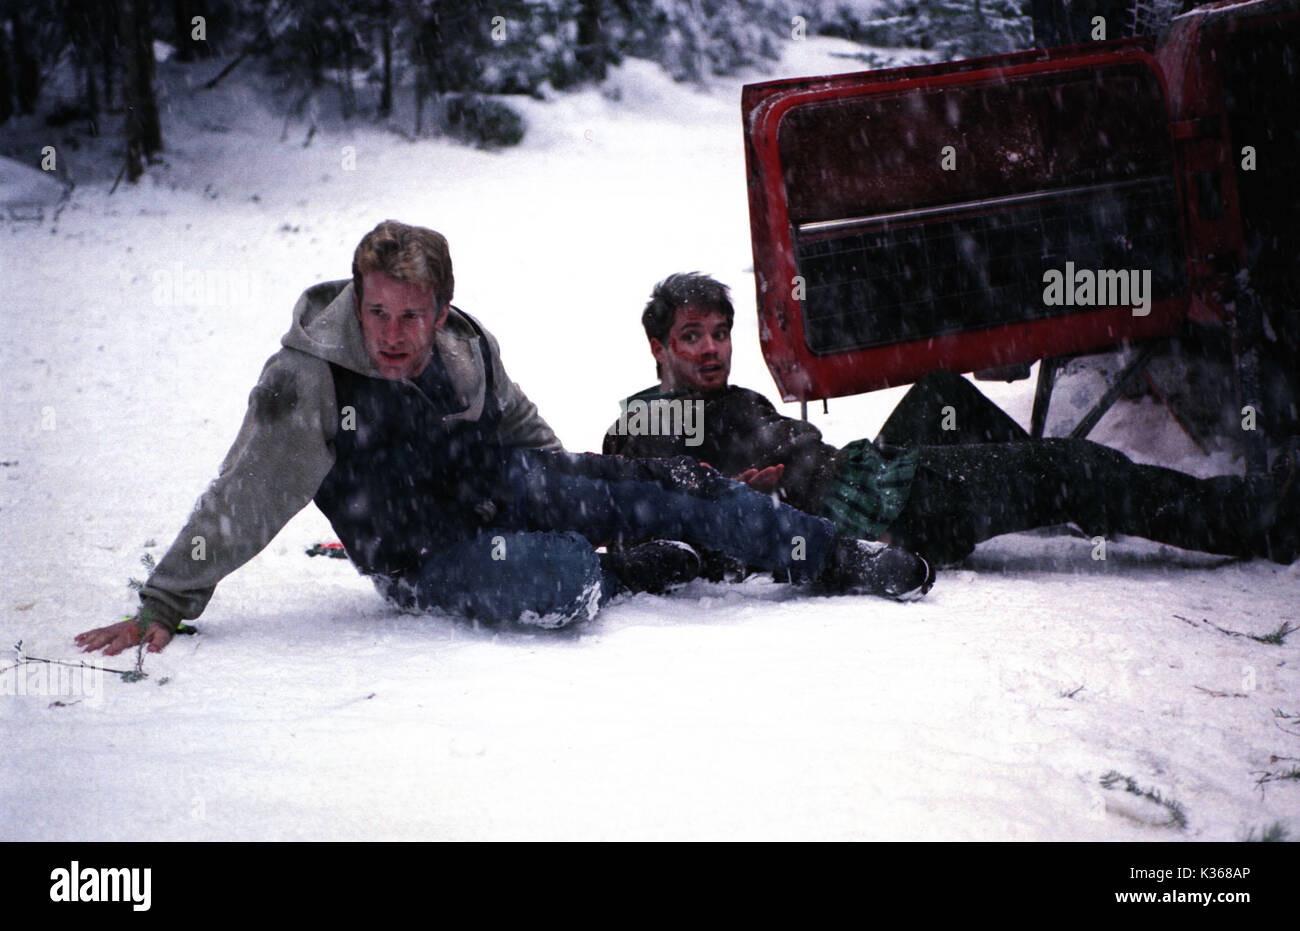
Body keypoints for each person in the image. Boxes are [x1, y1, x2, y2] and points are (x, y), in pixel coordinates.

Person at [76, 224, 934, 658]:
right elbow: (244, 493)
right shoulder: (306, 381)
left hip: (498, 481)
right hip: (425, 551)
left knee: (671, 480)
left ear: (440, 311)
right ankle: (615, 572)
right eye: (376, 311)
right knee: (561, 579)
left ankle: (835, 557)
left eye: (411, 314)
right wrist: (165, 602)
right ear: (355, 299)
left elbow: (524, 429)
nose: (392, 332)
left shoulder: (463, 345)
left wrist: (593, 490)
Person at [602, 272, 1299, 569]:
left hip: (858, 470)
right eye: (691, 336)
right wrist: (743, 503)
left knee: (942, 392)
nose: (712, 348)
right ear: (659, 347)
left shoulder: (678, 410)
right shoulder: (661, 424)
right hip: (891, 508)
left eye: (719, 332)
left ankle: (1046, 493)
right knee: (1072, 462)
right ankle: (1257, 517)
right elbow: (655, 529)